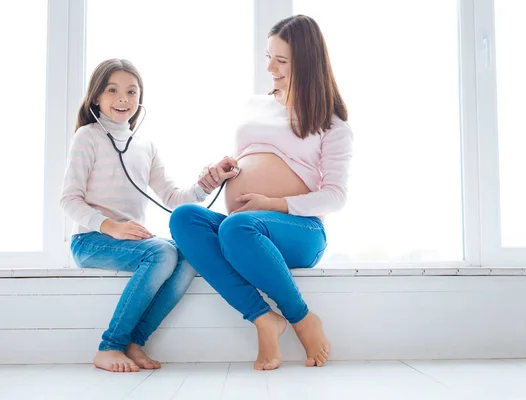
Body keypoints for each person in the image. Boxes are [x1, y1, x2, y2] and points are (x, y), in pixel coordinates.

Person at [169, 15, 353, 370]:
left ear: (308, 62)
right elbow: (251, 160)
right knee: (185, 218)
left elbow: (335, 195)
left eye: (281, 60)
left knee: (237, 227)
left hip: (300, 232)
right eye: (268, 56)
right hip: (245, 228)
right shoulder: (257, 104)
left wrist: (272, 203)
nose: (270, 67)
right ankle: (262, 317)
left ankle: (301, 319)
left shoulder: (332, 124)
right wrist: (224, 171)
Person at [60, 58, 238, 372]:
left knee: (189, 253)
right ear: (97, 97)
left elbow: (174, 197)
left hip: (130, 241)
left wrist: (208, 181)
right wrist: (111, 226)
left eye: (131, 91)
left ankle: (134, 342)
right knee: (161, 253)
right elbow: (69, 199)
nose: (122, 98)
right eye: (112, 90)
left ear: (140, 99)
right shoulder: (86, 137)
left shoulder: (145, 146)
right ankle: (110, 347)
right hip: (91, 241)